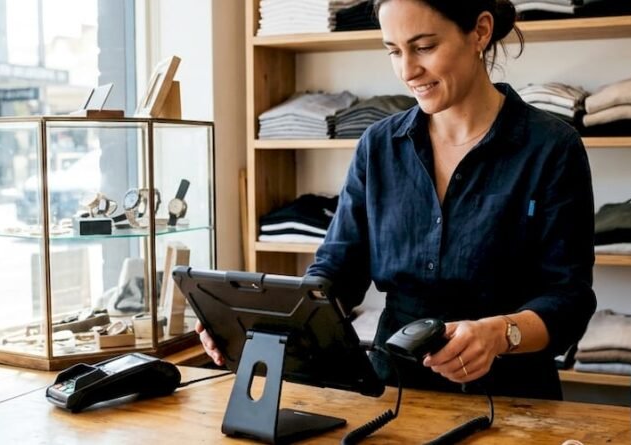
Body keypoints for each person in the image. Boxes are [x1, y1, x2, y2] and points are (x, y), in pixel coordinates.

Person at [197, 0, 596, 401]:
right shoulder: (379, 146)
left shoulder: (551, 149)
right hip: (394, 393)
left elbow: (569, 299)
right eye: (393, 50)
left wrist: (499, 333)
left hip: (514, 397)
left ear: (480, 31)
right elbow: (337, 271)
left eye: (423, 47)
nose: (407, 71)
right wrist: (258, 324)